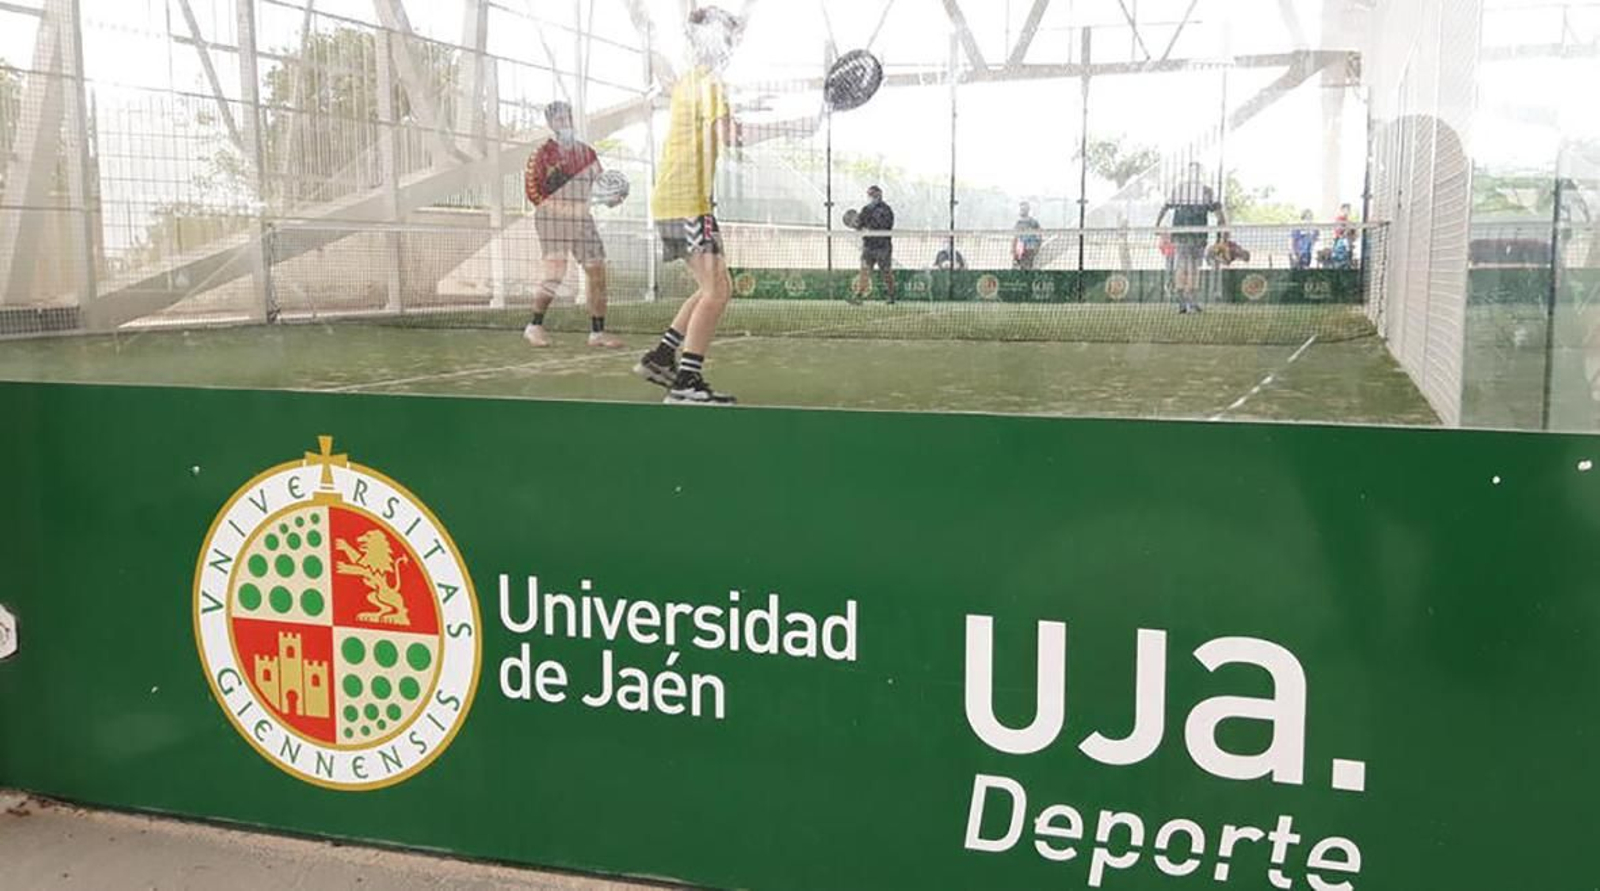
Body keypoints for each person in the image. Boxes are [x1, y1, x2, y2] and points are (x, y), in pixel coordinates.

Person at [631, 6, 816, 404]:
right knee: (716, 292)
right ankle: (686, 382)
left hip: (674, 201)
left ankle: (662, 357)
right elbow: (733, 136)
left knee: (714, 286)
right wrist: (791, 127)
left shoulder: (690, 82)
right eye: (730, 37)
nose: (733, 44)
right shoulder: (710, 84)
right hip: (686, 203)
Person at [522, 101, 625, 349]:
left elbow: (600, 184)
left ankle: (597, 333)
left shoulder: (587, 154)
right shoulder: (541, 155)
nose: (564, 123)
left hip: (582, 220)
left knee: (597, 269)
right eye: (559, 119)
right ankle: (534, 326)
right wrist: (567, 210)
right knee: (555, 273)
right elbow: (534, 194)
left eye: (568, 118)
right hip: (552, 220)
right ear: (550, 124)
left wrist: (611, 197)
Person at [1155, 161, 1228, 314]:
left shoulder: (1196, 190)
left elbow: (1164, 208)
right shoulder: (1201, 190)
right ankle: (1188, 302)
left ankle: (1185, 302)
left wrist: (1157, 224)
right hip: (1188, 235)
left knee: (1185, 266)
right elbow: (1220, 215)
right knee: (1190, 267)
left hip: (1193, 236)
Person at [851, 186, 897, 305]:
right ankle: (859, 296)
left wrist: (871, 228)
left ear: (879, 194)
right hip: (868, 246)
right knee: (864, 271)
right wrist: (856, 225)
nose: (871, 196)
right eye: (869, 194)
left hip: (883, 247)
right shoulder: (866, 209)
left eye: (873, 194)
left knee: (886, 272)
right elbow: (859, 225)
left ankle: (891, 295)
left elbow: (887, 225)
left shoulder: (887, 210)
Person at [1013, 201, 1043, 270]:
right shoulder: (1018, 223)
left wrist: (1037, 247)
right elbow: (1015, 237)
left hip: (1029, 249)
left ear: (1028, 210)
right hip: (1020, 250)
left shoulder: (1034, 222)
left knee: (1028, 267)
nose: (1022, 211)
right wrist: (1014, 251)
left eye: (1024, 209)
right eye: (1021, 209)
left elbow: (1040, 235)